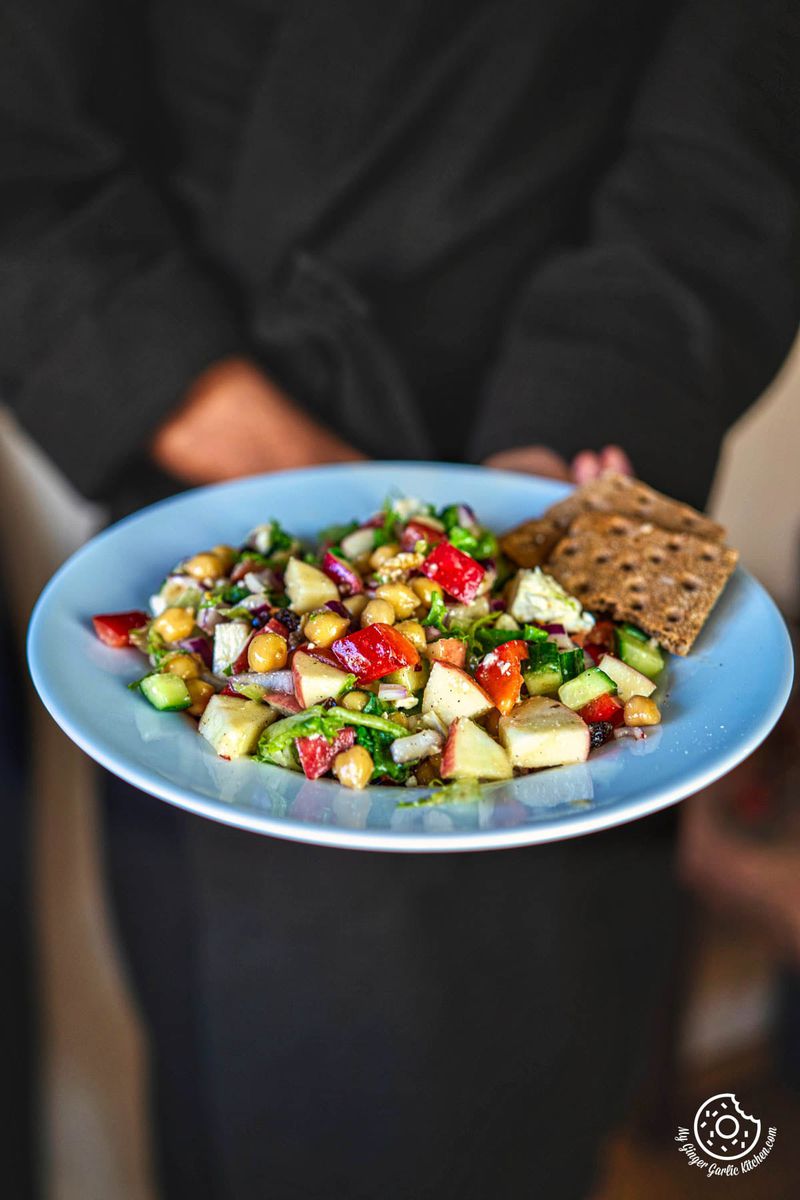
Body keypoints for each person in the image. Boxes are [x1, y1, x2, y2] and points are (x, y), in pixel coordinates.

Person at [1, 2, 798, 1196]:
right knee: (289, 1112)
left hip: (581, 461)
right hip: (221, 471)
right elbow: (26, 168)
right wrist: (372, 529)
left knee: (536, 1086)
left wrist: (529, 506)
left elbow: (724, 160)